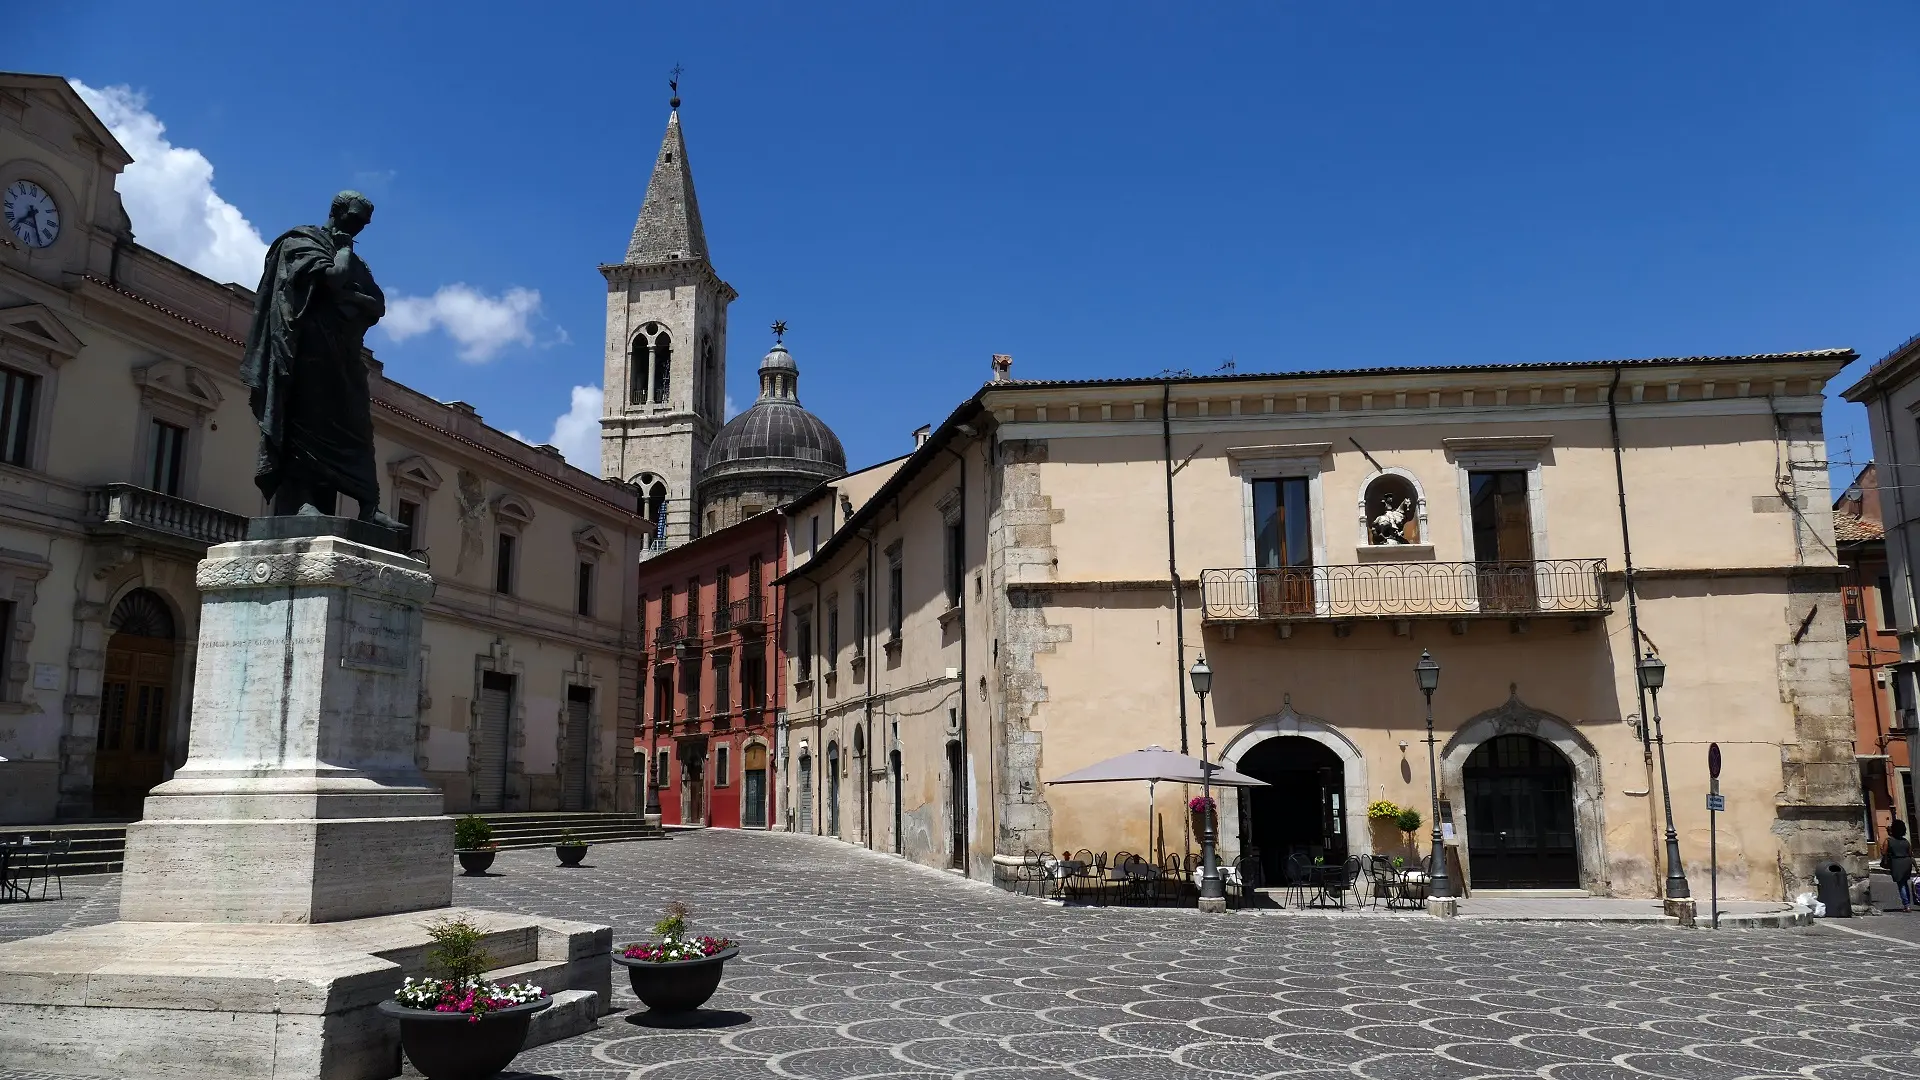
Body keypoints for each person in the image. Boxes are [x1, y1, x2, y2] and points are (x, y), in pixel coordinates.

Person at [240, 190, 401, 529]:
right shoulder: (301, 242)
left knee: (359, 428)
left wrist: (347, 294)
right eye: (354, 220)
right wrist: (342, 262)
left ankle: (369, 506)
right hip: (307, 353)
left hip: (344, 357)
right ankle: (304, 501)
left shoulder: (356, 261)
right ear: (336, 211)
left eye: (363, 225)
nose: (357, 229)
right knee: (307, 426)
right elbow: (333, 278)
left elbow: (377, 305)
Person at [1885, 819, 1914, 912]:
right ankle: (1908, 903)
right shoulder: (1906, 841)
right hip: (1907, 862)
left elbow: (1883, 852)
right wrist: (1916, 867)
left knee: (1901, 884)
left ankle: (1906, 905)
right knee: (1905, 883)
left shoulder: (1889, 840)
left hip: (1896, 863)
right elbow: (1910, 854)